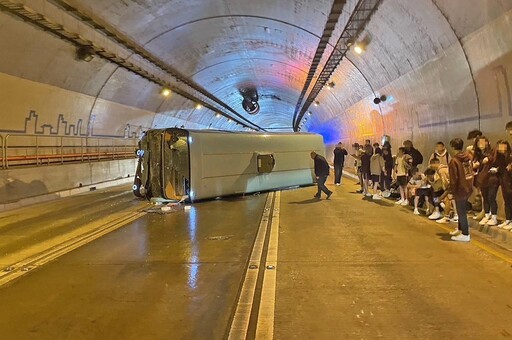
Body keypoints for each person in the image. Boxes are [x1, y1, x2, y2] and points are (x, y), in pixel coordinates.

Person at [448, 138, 474, 242]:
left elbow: (454, 178)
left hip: (460, 188)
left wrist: (451, 191)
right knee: (461, 210)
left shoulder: (454, 160)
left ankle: (465, 233)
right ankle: (460, 229)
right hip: (468, 185)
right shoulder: (468, 157)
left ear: (453, 147)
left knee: (461, 211)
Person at [472, 136, 498, 226]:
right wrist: (475, 165)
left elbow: (495, 160)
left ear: (488, 142)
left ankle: (494, 217)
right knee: (485, 198)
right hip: (482, 179)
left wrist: (488, 160)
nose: (481, 145)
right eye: (479, 143)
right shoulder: (478, 154)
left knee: (491, 197)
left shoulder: (492, 152)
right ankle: (487, 215)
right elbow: (474, 165)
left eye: (483, 142)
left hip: (492, 178)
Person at [497, 140, 512, 230]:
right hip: (504, 181)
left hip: (509, 182)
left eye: (503, 146)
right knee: (507, 201)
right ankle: (508, 219)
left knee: (510, 201)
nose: (501, 148)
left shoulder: (510, 156)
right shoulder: (500, 157)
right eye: (500, 146)